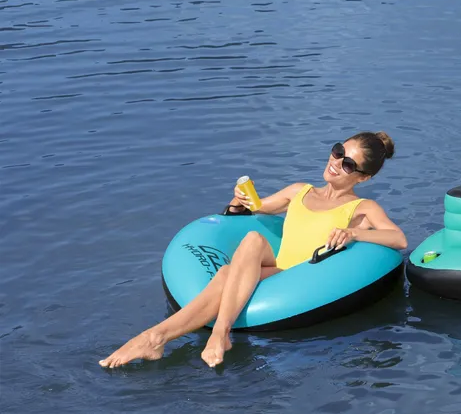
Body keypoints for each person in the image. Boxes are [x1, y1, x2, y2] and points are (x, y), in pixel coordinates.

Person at [99, 132, 408, 368]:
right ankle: (158, 338)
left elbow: (399, 240)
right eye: (338, 151)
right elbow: (256, 208)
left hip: (304, 278)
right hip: (278, 268)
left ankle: (200, 334)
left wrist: (353, 233)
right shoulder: (299, 191)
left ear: (363, 177)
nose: (336, 163)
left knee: (231, 269)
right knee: (243, 250)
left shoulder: (362, 207)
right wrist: (239, 200)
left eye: (348, 164)